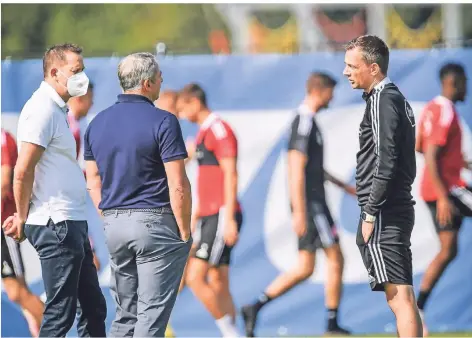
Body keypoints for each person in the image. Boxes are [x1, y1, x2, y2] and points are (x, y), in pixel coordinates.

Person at [2, 43, 107, 337]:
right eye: (76, 71)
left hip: (69, 220)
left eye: (82, 70)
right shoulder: (42, 110)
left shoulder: (57, 110)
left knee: (93, 307)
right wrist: (22, 217)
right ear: (54, 72)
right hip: (55, 222)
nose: (81, 77)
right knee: (60, 314)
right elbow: (22, 171)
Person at [84, 52, 192, 337]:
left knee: (125, 316)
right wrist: (184, 229)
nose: (161, 81)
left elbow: (92, 178)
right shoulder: (164, 121)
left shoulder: (96, 123)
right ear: (146, 83)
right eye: (159, 78)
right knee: (151, 318)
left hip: (115, 225)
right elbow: (177, 182)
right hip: (155, 224)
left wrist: (106, 214)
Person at [241, 72, 356, 337]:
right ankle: (331, 323)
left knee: (305, 267)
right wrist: (300, 211)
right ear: (320, 90)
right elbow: (295, 167)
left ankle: (256, 306)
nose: (332, 98)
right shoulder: (303, 121)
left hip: (315, 204)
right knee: (336, 257)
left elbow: (314, 168)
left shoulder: (309, 121)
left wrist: (344, 186)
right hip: (313, 206)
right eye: (331, 92)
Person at [343, 35, 422, 337]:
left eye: (352, 66)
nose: (346, 72)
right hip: (394, 207)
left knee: (400, 297)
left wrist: (371, 212)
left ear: (373, 68)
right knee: (402, 295)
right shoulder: (394, 99)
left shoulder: (382, 99)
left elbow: (386, 161)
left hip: (385, 211)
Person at [177, 83, 242, 337]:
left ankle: (230, 332)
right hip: (208, 215)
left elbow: (230, 173)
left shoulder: (218, 130)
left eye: (183, 109)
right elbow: (206, 178)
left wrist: (228, 218)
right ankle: (234, 331)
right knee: (218, 280)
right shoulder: (203, 134)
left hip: (219, 214)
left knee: (195, 276)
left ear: (194, 102)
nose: (181, 115)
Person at [415, 63, 471, 336]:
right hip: (445, 190)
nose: (467, 88)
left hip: (438, 188)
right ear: (454, 83)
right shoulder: (445, 110)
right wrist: (443, 196)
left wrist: (462, 163)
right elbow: (430, 153)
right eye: (465, 82)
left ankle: (418, 309)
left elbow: (420, 146)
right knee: (448, 250)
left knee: (449, 250)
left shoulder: (432, 108)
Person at [1, 128, 44, 337]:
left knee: (17, 291)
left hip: (3, 225)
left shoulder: (2, 137)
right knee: (16, 292)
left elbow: (3, 183)